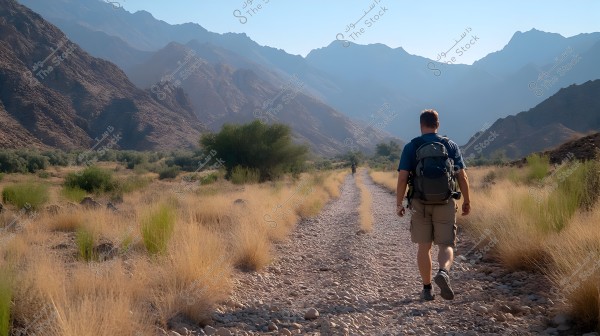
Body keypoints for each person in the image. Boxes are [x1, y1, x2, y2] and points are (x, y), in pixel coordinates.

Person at [396, 109, 471, 301]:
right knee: (446, 244)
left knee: (424, 247)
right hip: (445, 201)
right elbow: (461, 176)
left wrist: (399, 203)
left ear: (421, 125)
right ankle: (444, 273)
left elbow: (403, 177)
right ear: (438, 124)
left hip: (419, 203)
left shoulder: (411, 146)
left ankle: (427, 289)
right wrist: (467, 201)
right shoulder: (450, 145)